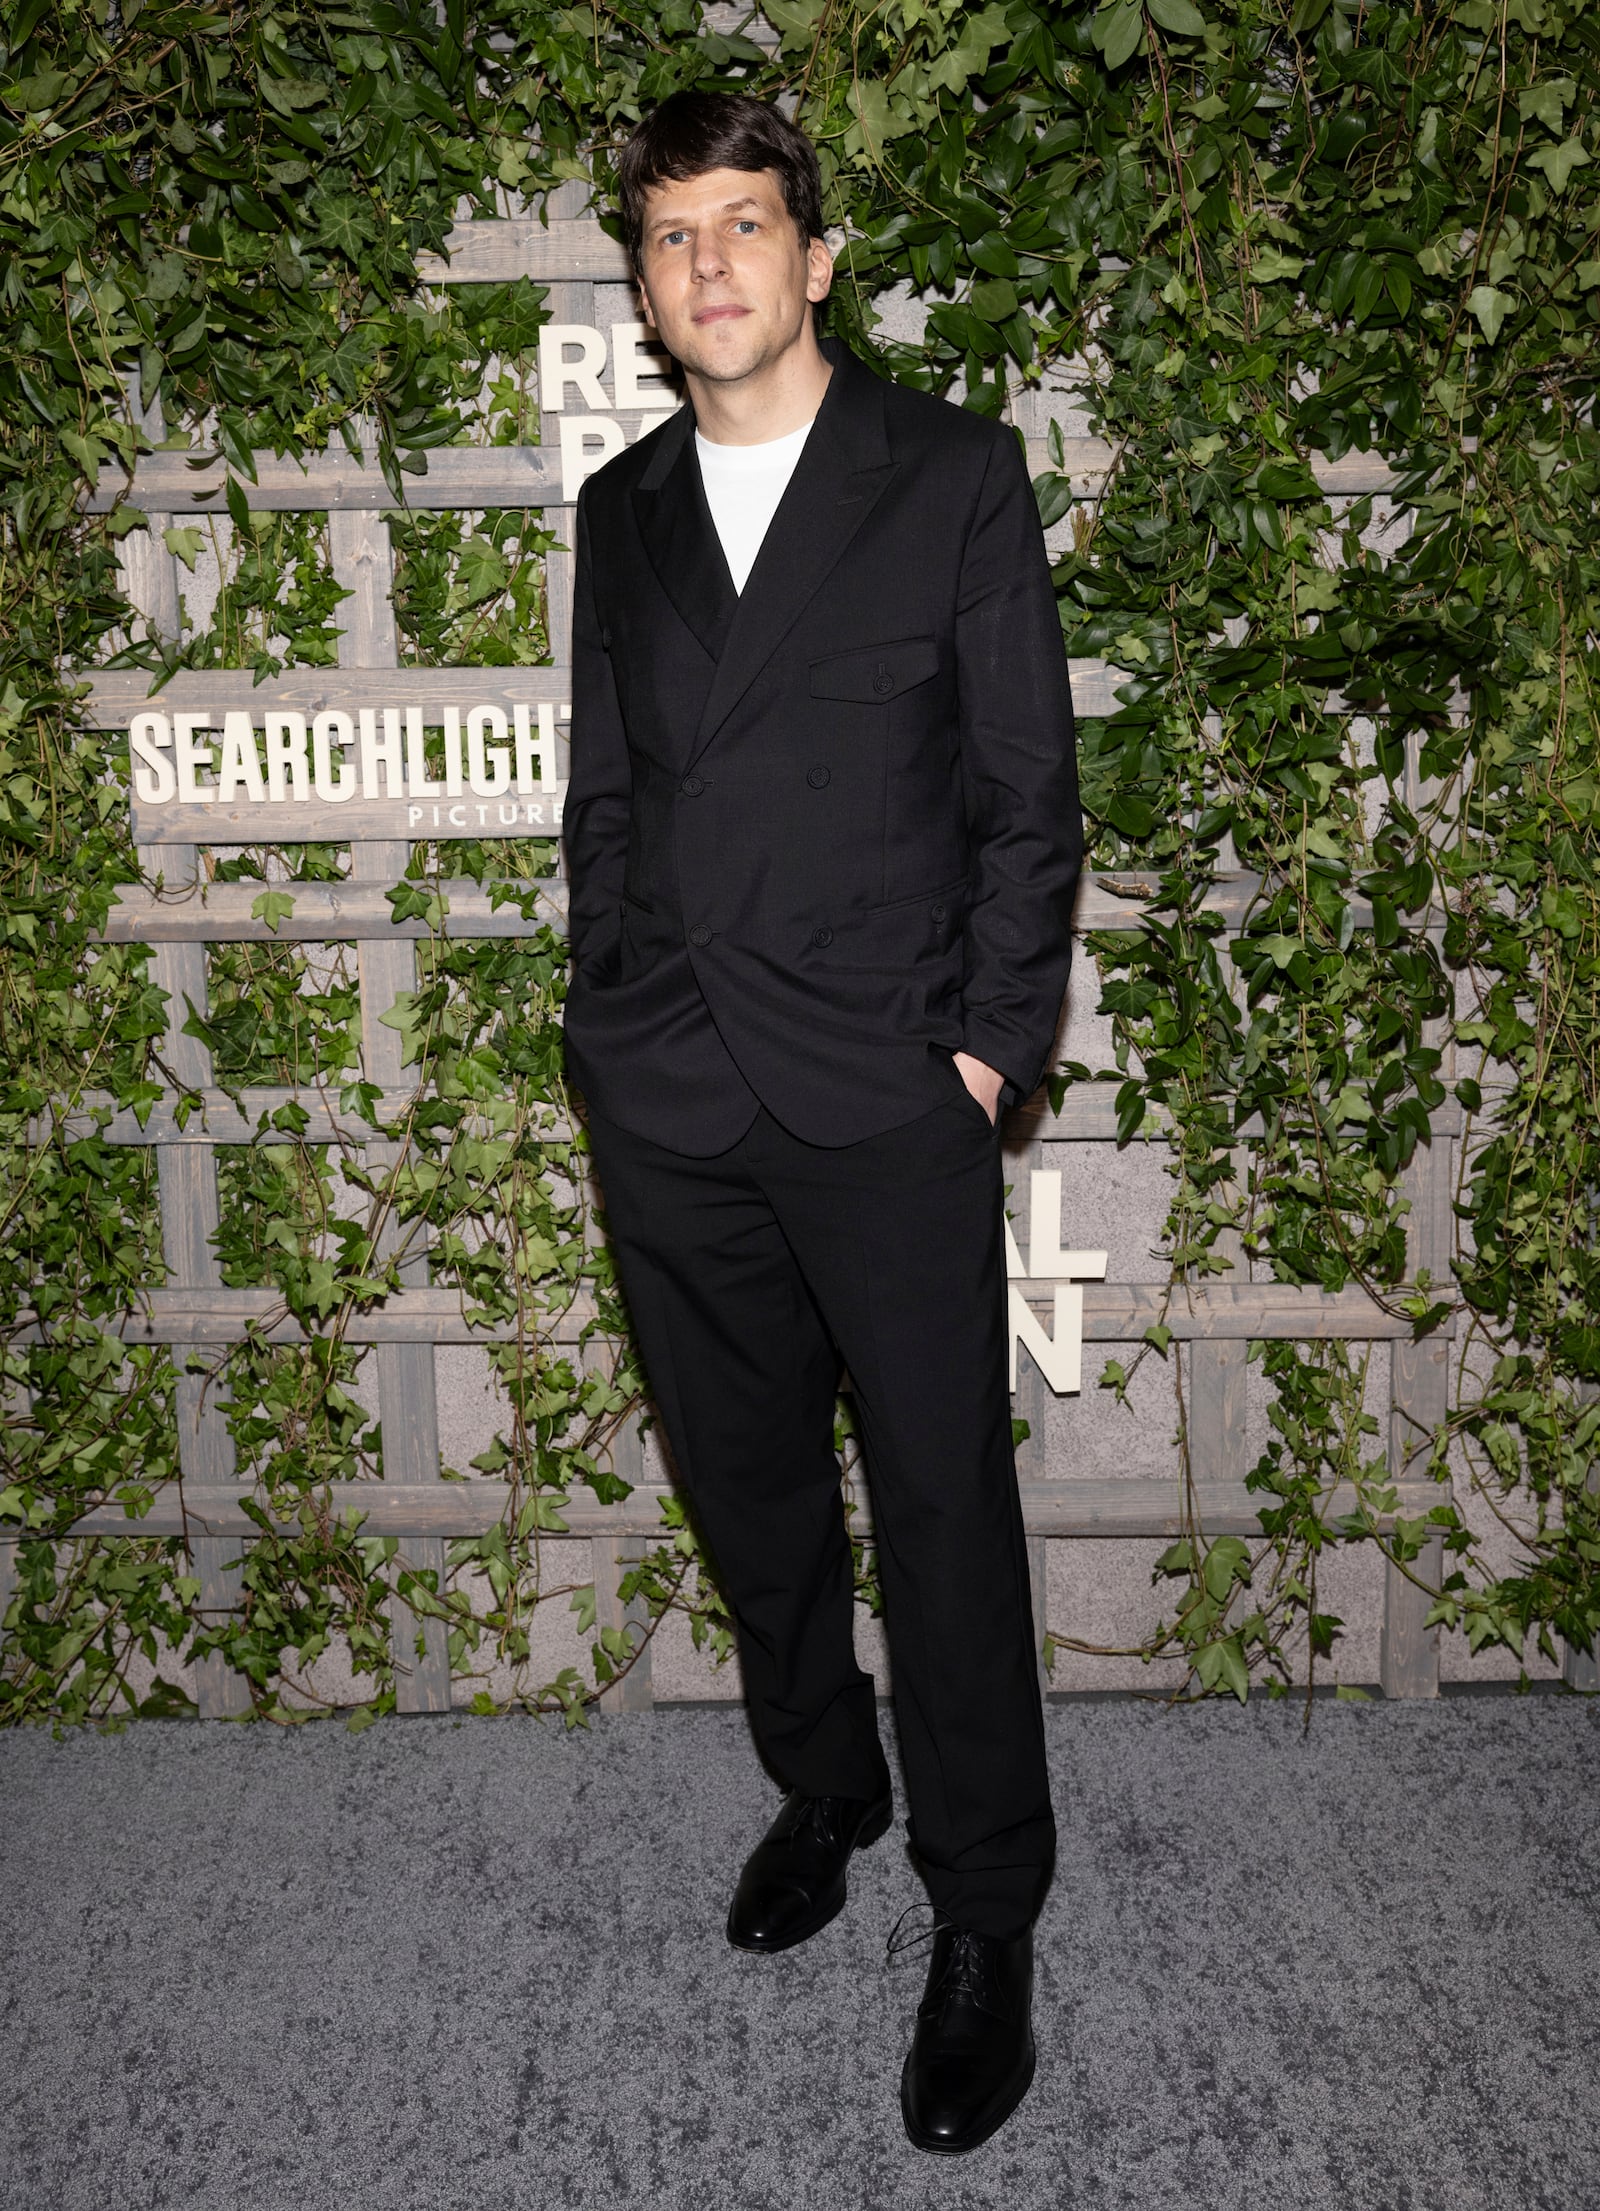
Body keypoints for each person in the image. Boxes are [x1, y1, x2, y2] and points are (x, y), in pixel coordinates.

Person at [561, 89, 1082, 2156]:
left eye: (744, 224)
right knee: (749, 1482)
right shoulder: (619, 509)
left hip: (884, 1086)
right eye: (673, 235)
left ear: (814, 260)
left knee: (942, 1506)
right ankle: (827, 1780)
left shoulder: (947, 475)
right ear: (647, 282)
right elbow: (610, 797)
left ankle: (984, 1908)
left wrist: (977, 1050)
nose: (708, 264)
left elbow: (1025, 797)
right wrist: (603, 1010)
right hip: (674, 1090)